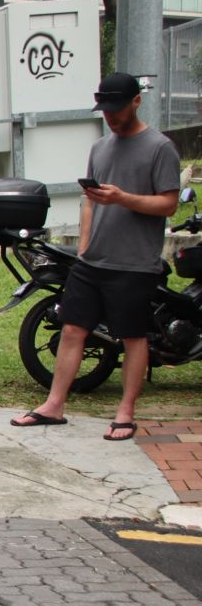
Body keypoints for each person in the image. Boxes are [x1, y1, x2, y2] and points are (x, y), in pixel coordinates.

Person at [11, 73, 181, 441]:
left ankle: (125, 413)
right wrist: (84, 247)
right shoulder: (100, 147)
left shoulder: (160, 148)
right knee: (72, 330)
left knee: (133, 337)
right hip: (92, 263)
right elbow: (89, 199)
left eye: (117, 109)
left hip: (134, 263)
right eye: (105, 110)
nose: (111, 117)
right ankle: (54, 406)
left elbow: (168, 205)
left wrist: (124, 198)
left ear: (136, 102)